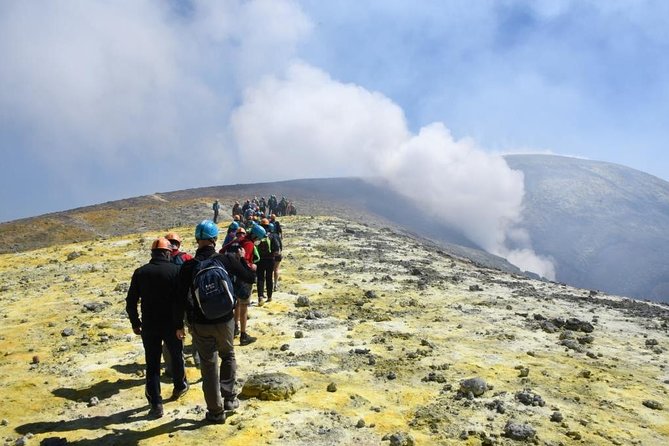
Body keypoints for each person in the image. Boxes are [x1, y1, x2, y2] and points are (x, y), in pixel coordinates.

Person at [174, 220, 238, 423]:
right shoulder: (225, 260)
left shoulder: (188, 266)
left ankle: (215, 411)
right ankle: (229, 398)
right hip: (226, 319)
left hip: (200, 323)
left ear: (196, 239)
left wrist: (179, 324)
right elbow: (249, 276)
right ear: (214, 239)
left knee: (208, 366)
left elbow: (179, 298)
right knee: (228, 355)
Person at [126, 237, 188, 418]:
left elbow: (131, 302)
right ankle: (179, 386)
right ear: (168, 253)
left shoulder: (140, 272)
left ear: (153, 254)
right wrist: (180, 325)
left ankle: (156, 404)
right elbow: (181, 301)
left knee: (152, 364)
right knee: (176, 356)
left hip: (149, 327)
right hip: (172, 325)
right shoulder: (176, 270)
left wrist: (136, 323)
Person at [162, 232, 195, 376]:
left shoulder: (163, 260)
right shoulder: (187, 258)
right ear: (179, 243)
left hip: (169, 303)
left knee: (171, 335)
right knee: (195, 330)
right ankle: (198, 359)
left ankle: (171, 368)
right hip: (188, 299)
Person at [221, 242, 257, 346]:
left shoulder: (226, 260)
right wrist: (243, 259)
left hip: (232, 288)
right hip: (243, 287)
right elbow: (250, 277)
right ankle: (243, 335)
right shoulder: (240, 261)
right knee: (244, 307)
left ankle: (234, 328)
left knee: (236, 305)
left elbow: (221, 251)